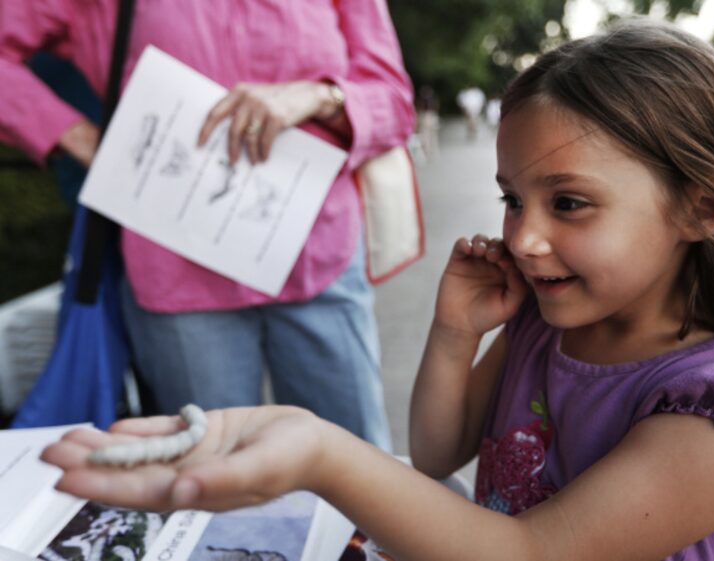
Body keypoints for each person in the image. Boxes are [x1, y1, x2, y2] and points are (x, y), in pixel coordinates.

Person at [43, 20, 714, 561]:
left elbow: (528, 549)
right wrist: (456, 331)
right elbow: (438, 453)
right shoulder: (547, 328)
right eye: (512, 198)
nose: (523, 237)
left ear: (702, 205)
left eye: (569, 203)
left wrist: (321, 450)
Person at [0, 1, 416, 450]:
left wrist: (319, 96)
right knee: (209, 483)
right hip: (177, 270)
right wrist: (79, 137)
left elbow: (392, 99)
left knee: (355, 467)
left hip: (317, 253)